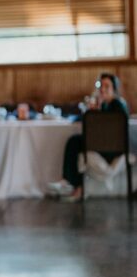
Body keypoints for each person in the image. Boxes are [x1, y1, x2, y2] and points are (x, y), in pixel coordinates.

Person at [47, 72, 129, 202]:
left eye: (106, 86)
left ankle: (72, 183)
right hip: (102, 143)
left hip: (111, 147)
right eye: (101, 85)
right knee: (74, 141)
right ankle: (74, 185)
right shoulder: (105, 105)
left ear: (114, 88)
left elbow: (106, 129)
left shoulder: (117, 104)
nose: (102, 89)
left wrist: (94, 111)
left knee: (74, 142)